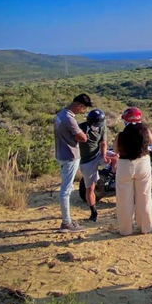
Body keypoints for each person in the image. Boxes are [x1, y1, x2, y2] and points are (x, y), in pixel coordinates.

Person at [54, 93, 92, 232]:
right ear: (79, 105)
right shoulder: (69, 119)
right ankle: (66, 223)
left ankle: (67, 220)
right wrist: (84, 134)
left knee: (66, 188)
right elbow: (82, 138)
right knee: (66, 190)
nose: (83, 111)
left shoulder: (60, 115)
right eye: (83, 108)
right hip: (70, 155)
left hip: (61, 154)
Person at [114, 107, 152, 236]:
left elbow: (116, 150)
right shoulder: (145, 131)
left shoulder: (121, 135)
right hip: (143, 163)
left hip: (125, 165)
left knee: (124, 200)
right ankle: (145, 228)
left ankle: (125, 230)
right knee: (144, 196)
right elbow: (151, 142)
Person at [78, 109, 112, 222]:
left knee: (117, 157)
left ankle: (111, 179)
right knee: (90, 189)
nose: (97, 127)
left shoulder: (101, 127)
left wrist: (104, 155)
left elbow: (103, 143)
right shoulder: (80, 128)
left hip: (98, 154)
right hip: (87, 161)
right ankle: (93, 211)